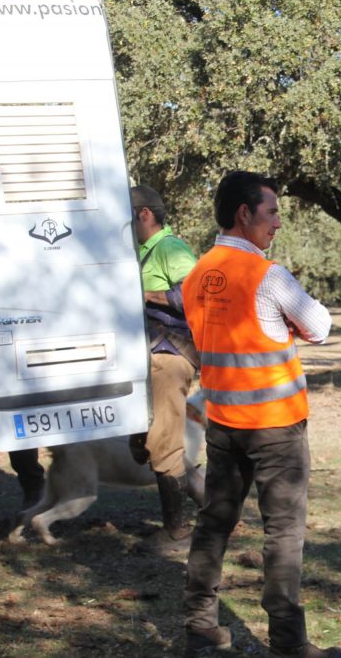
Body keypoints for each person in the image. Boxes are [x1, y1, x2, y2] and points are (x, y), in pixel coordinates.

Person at [180, 172, 341, 658]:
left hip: (224, 424)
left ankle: (199, 628)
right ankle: (289, 644)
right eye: (271, 212)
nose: (277, 223)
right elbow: (320, 327)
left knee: (213, 524)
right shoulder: (267, 276)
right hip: (275, 427)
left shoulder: (194, 276)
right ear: (244, 214)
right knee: (284, 532)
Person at [130, 184, 203, 552]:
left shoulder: (170, 248)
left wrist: (141, 294)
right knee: (151, 440)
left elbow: (197, 292)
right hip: (153, 357)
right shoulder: (144, 252)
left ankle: (178, 532)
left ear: (144, 215)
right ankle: (215, 508)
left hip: (169, 356)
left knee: (163, 441)